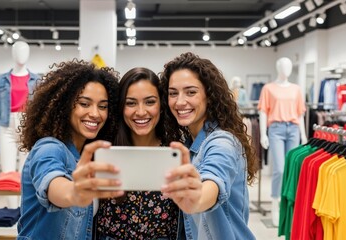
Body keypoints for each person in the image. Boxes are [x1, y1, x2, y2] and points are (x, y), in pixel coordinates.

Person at [17, 59, 123, 239]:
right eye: (84, 103)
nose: (96, 113)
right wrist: (74, 192)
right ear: (64, 105)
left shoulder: (88, 156)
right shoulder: (49, 148)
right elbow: (54, 184)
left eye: (103, 106)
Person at [159, 52, 259, 239]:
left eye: (191, 92)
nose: (180, 102)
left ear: (209, 96)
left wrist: (197, 199)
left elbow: (213, 181)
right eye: (173, 93)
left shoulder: (222, 142)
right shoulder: (189, 143)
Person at [95, 67, 183, 239]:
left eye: (150, 102)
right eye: (131, 103)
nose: (141, 112)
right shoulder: (105, 149)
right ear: (121, 107)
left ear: (161, 105)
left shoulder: (175, 151)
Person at [258, 57, 306, 226]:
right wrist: (263, 133)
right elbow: (263, 112)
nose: (287, 69)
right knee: (279, 169)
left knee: (292, 168)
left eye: (289, 66)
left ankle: (288, 204)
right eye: (283, 66)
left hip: (293, 129)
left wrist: (304, 135)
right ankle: (274, 203)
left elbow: (300, 114)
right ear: (278, 67)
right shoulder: (268, 88)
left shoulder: (296, 89)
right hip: (276, 129)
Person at [0, 41, 39, 174]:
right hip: (6, 125)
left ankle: (23, 195)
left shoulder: (36, 80)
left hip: (28, 124)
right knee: (7, 171)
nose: (21, 55)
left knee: (26, 170)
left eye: (24, 51)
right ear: (12, 53)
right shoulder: (1, 80)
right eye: (18, 51)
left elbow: (41, 108)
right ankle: (11, 195)